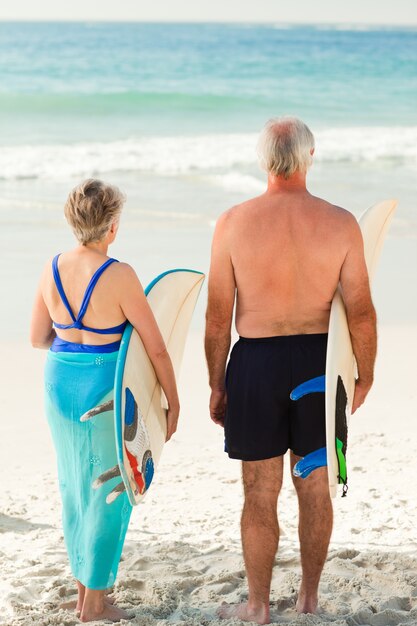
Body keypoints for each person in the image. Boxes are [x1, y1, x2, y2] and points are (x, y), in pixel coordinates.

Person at [205, 117, 376, 624]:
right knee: (315, 486)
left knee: (260, 491)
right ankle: (308, 599)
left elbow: (218, 317)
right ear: (310, 156)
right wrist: (363, 374)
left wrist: (217, 383)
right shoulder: (341, 223)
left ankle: (257, 606)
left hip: (255, 364)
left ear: (263, 160)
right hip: (319, 366)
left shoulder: (233, 222)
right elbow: (361, 311)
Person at [30, 179, 180, 623]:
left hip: (59, 384)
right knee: (112, 489)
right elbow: (155, 349)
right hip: (104, 390)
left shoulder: (51, 267)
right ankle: (93, 607)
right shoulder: (119, 275)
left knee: (74, 486)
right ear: (112, 227)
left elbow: (39, 337)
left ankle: (83, 593)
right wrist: (173, 401)